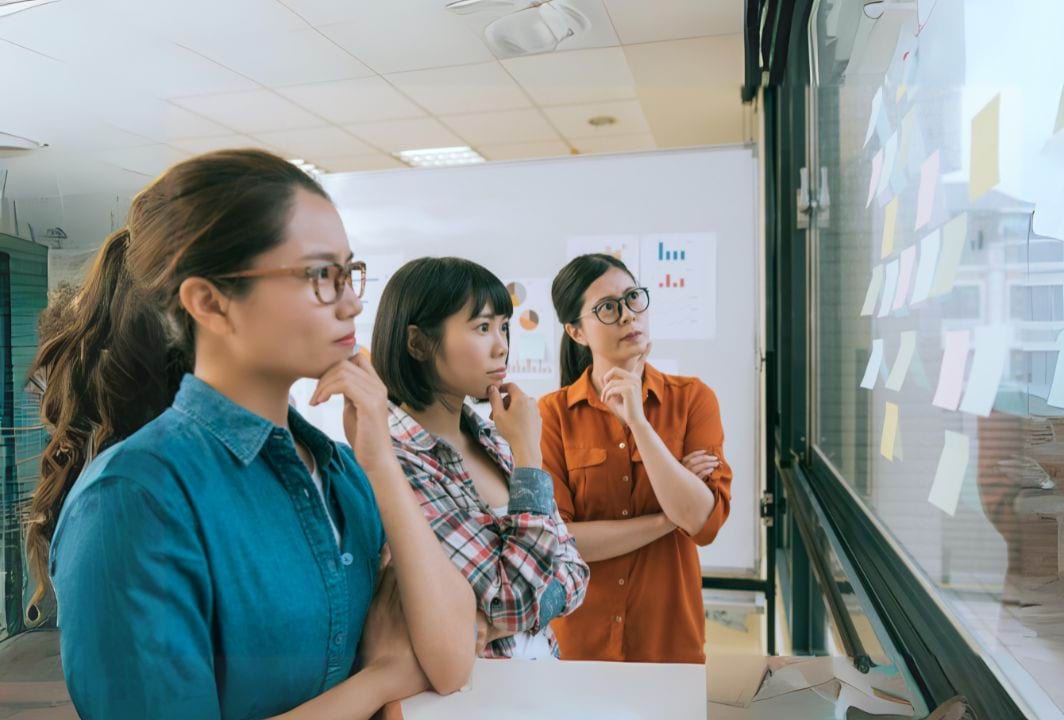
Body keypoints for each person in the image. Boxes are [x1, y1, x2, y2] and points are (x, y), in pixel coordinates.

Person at [25, 149, 476, 719]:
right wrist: (380, 680)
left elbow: (452, 659)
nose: (353, 303)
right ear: (211, 302)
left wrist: (381, 459)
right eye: (319, 276)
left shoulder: (339, 470)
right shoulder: (134, 498)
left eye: (348, 272)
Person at [370, 256, 589, 660]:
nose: (502, 345)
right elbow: (512, 598)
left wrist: (508, 618)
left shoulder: (494, 438)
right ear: (417, 343)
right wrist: (527, 455)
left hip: (542, 683)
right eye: (482, 328)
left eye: (504, 327)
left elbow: (576, 570)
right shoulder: (397, 461)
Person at [538, 253, 732, 664]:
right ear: (576, 331)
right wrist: (667, 517)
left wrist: (640, 425)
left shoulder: (692, 400)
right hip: (578, 647)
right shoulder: (551, 415)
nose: (628, 316)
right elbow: (560, 542)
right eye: (607, 308)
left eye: (633, 298)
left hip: (669, 642)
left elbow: (703, 523)